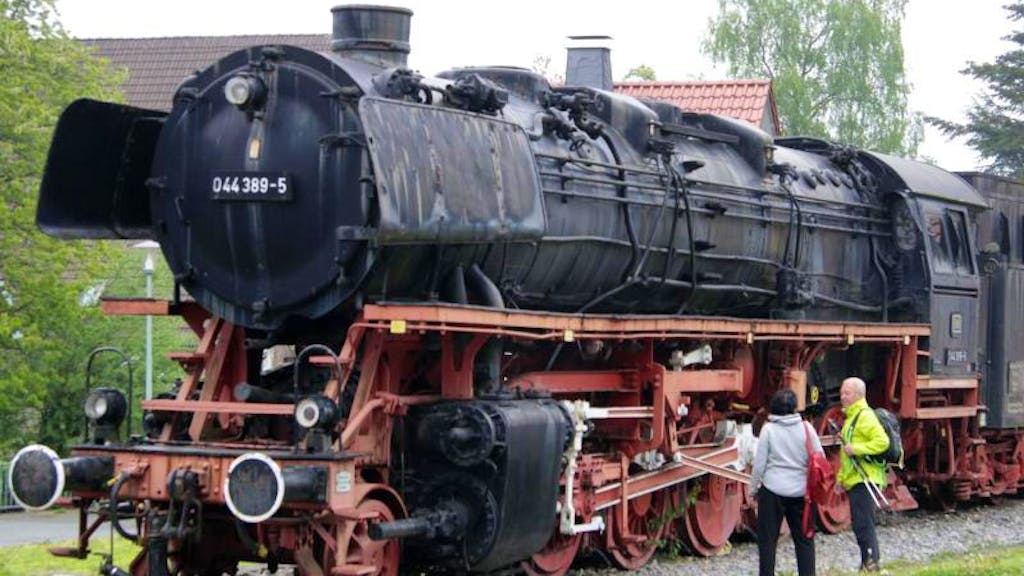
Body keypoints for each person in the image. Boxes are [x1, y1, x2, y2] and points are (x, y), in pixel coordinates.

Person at [750, 389, 823, 576]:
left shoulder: (768, 430)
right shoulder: (807, 428)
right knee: (805, 541)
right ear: (794, 408)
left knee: (767, 542)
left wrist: (752, 490)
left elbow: (759, 465)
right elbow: (819, 457)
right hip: (802, 493)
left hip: (773, 491)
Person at [836, 377, 891, 573]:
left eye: (847, 393)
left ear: (859, 395)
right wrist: (841, 478)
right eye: (842, 393)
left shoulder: (865, 416)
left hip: (865, 478)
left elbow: (882, 442)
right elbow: (846, 454)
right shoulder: (852, 416)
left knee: (863, 522)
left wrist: (858, 448)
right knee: (860, 523)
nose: (842, 397)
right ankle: (867, 561)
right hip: (855, 478)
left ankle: (871, 562)